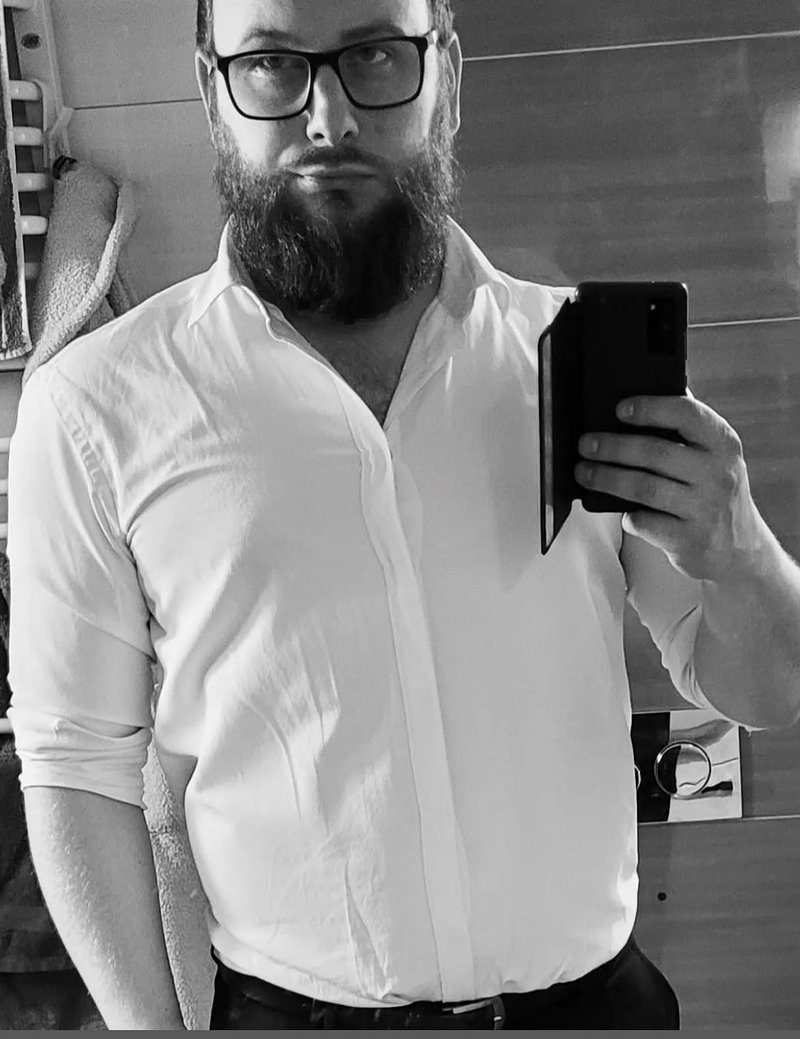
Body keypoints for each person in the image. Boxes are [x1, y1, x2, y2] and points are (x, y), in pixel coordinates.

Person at [7, 0, 800, 1030]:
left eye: (376, 54)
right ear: (212, 92)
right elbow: (76, 766)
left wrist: (741, 553)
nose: (327, 114)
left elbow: (763, 691)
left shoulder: (571, 364)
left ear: (447, 77)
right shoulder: (95, 407)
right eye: (272, 64)